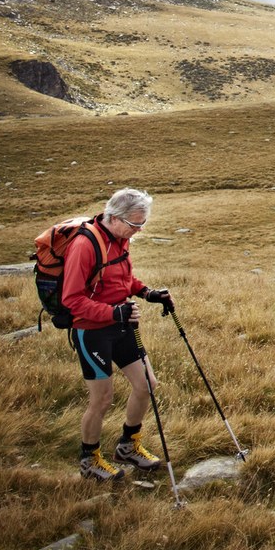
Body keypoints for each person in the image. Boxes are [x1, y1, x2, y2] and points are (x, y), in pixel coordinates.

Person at [60, 187, 175, 481]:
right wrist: (114, 313)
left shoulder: (120, 238)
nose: (138, 230)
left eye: (142, 224)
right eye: (134, 224)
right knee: (102, 399)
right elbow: (71, 299)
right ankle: (90, 461)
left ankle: (128, 446)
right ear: (114, 217)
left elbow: (122, 278)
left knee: (146, 384)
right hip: (92, 332)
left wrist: (147, 293)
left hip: (121, 325)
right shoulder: (85, 245)